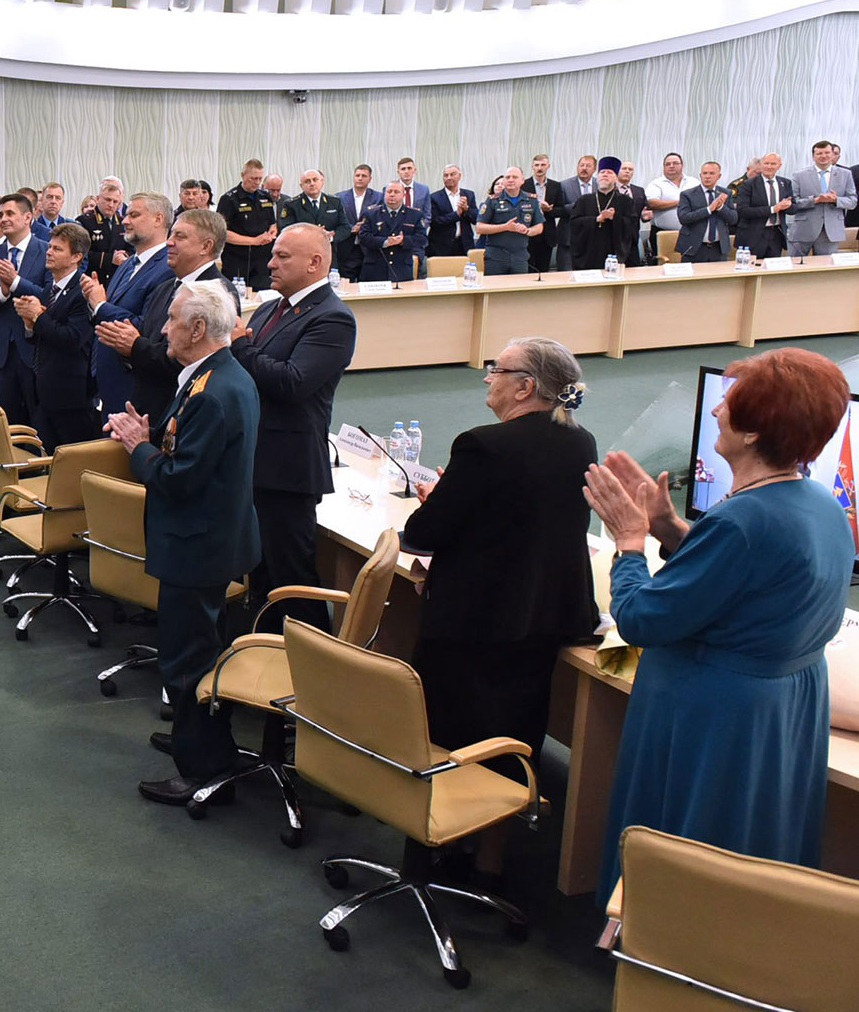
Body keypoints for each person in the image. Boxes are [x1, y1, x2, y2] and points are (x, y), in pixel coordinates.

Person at [584, 347, 854, 897]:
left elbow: (641, 619)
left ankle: (664, 935)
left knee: (689, 852)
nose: (714, 411)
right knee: (752, 847)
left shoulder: (740, 521)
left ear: (753, 432)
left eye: (728, 404)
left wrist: (631, 544)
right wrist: (669, 528)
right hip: (783, 707)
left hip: (715, 715)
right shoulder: (823, 504)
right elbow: (742, 579)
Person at [401, 337, 598, 886]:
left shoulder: (482, 446)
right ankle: (491, 856)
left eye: (497, 370)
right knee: (516, 730)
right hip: (544, 615)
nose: (488, 378)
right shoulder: (581, 441)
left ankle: (437, 842)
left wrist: (437, 500)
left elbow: (423, 534)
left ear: (525, 386)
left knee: (448, 730)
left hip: (472, 619)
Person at [105, 281, 260, 805]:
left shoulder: (212, 391)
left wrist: (138, 447)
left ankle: (203, 770)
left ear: (197, 328)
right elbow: (191, 451)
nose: (162, 328)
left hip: (197, 545)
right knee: (199, 649)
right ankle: (199, 739)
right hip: (209, 538)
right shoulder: (215, 376)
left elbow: (178, 479)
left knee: (188, 658)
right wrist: (154, 436)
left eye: (171, 319)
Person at [230, 223, 356, 633]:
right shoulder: (271, 308)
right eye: (273, 255)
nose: (271, 263)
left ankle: (312, 659)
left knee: (292, 577)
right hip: (253, 456)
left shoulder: (333, 318)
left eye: (282, 256)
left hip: (288, 467)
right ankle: (264, 646)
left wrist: (240, 346)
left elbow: (293, 383)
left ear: (315, 263)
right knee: (260, 568)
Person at [95, 207, 234, 422]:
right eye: (171, 235)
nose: (169, 242)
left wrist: (134, 346)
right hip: (144, 410)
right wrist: (127, 344)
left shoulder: (217, 293)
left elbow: (192, 361)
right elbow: (147, 336)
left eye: (180, 236)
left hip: (178, 415)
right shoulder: (166, 287)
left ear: (206, 246)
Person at [81, 192, 176, 419]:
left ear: (158, 219)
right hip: (108, 381)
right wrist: (94, 303)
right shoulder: (129, 263)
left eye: (134, 215)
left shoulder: (168, 268)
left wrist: (100, 305)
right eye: (126, 215)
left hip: (134, 386)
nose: (124, 221)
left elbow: (146, 327)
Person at [15, 223, 98, 448]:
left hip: (71, 396)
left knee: (71, 458)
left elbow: (72, 339)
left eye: (57, 249)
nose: (49, 252)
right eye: (50, 247)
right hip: (45, 389)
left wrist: (38, 316)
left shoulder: (83, 292)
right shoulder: (49, 289)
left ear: (76, 257)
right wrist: (29, 324)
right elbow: (41, 336)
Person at [0, 192, 47, 428]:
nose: (3, 219)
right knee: (8, 419)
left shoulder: (46, 251)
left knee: (39, 418)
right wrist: (2, 293)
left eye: (9, 213)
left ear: (28, 217)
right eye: (1, 214)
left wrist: (15, 282)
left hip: (35, 350)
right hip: (0, 352)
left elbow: (49, 296)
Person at [788, 140, 857, 257]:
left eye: (827, 153)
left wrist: (836, 200)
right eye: (819, 153)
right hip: (804, 229)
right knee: (795, 264)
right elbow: (793, 203)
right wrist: (815, 200)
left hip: (831, 230)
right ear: (813, 156)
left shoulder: (845, 174)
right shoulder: (799, 175)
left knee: (827, 265)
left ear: (833, 155)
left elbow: (853, 201)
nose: (823, 156)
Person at [566, 159, 638, 269]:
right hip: (589, 253)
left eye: (609, 173)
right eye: (602, 172)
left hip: (614, 252)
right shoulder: (583, 200)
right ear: (598, 177)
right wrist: (596, 219)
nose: (605, 175)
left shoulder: (626, 201)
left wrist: (614, 217)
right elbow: (574, 223)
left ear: (616, 178)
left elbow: (632, 225)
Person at [220, 159, 280, 290]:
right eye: (253, 178)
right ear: (243, 175)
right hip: (237, 260)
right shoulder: (229, 199)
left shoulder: (265, 197)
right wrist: (254, 241)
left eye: (260, 179)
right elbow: (223, 233)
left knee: (263, 295)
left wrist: (272, 231)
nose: (257, 182)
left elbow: (272, 223)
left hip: (262, 261)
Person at [478, 166, 544, 275]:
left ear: (522, 180)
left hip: (520, 257)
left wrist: (527, 230)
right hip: (496, 258)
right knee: (495, 286)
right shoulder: (492, 200)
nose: (510, 180)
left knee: (519, 286)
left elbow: (539, 227)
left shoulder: (531, 200)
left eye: (514, 177)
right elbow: (479, 228)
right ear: (504, 181)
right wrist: (505, 227)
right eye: (507, 177)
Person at [279, 170, 352, 270]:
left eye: (315, 180)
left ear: (322, 181)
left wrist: (329, 237)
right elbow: (286, 230)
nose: (312, 184)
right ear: (301, 186)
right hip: (302, 256)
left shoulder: (335, 202)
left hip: (328, 255)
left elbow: (345, 227)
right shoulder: (292, 204)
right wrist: (313, 235)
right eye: (307, 181)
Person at [356, 180, 426, 282]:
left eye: (396, 192)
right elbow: (363, 236)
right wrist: (385, 242)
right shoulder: (371, 213)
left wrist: (403, 240)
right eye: (389, 192)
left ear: (403, 195)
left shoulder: (415, 215)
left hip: (401, 269)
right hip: (375, 269)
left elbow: (422, 238)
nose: (392, 195)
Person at [675, 161, 738, 262]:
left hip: (718, 248)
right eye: (705, 173)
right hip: (694, 247)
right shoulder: (687, 194)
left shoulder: (726, 193)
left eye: (711, 173)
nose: (707, 177)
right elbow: (683, 218)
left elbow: (733, 219)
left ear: (719, 176)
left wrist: (720, 207)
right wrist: (709, 209)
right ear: (700, 175)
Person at [736, 153, 795, 260]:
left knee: (773, 267)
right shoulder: (748, 184)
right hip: (753, 235)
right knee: (751, 267)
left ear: (779, 166)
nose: (769, 166)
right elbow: (743, 210)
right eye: (766, 163)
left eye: (773, 164)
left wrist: (788, 205)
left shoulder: (785, 183)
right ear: (761, 164)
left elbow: (793, 209)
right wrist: (773, 209)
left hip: (776, 234)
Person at [644, 152, 699, 264]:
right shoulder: (656, 184)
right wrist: (680, 202)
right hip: (662, 233)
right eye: (668, 164)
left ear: (682, 165)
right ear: (664, 167)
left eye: (675, 163)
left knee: (691, 265)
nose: (671, 166)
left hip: (690, 232)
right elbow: (651, 203)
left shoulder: (694, 182)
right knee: (661, 265)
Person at [521, 155, 567, 273]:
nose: (539, 168)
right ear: (532, 167)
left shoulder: (555, 186)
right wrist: (536, 208)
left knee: (544, 270)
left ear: (548, 166)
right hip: (528, 233)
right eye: (536, 165)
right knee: (527, 269)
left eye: (543, 165)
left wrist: (548, 210)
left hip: (547, 234)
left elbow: (561, 210)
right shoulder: (523, 185)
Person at [334, 164, 378, 280]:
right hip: (346, 248)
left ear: (370, 179)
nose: (360, 178)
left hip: (369, 249)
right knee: (346, 283)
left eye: (364, 176)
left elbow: (380, 221)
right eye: (357, 175)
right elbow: (335, 220)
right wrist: (351, 228)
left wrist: (363, 227)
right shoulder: (339, 198)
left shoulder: (378, 198)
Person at [78, 179, 126, 283]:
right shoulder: (85, 221)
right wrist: (109, 259)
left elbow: (132, 249)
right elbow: (80, 253)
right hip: (92, 279)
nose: (111, 205)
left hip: (116, 279)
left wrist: (124, 256)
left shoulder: (123, 223)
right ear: (98, 199)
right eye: (108, 200)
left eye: (115, 202)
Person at [426, 165, 477, 257]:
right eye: (446, 175)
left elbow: (476, 219)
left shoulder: (469, 195)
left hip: (464, 245)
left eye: (452, 174)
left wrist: (467, 209)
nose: (449, 178)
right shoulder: (434, 197)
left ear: (459, 176)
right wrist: (456, 214)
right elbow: (434, 222)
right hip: (441, 247)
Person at [558, 155, 599, 270]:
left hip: (593, 240)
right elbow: (559, 209)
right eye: (581, 165)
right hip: (569, 239)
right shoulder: (564, 185)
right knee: (566, 275)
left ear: (594, 169)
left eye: (588, 166)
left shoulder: (600, 185)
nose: (584, 168)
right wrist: (581, 206)